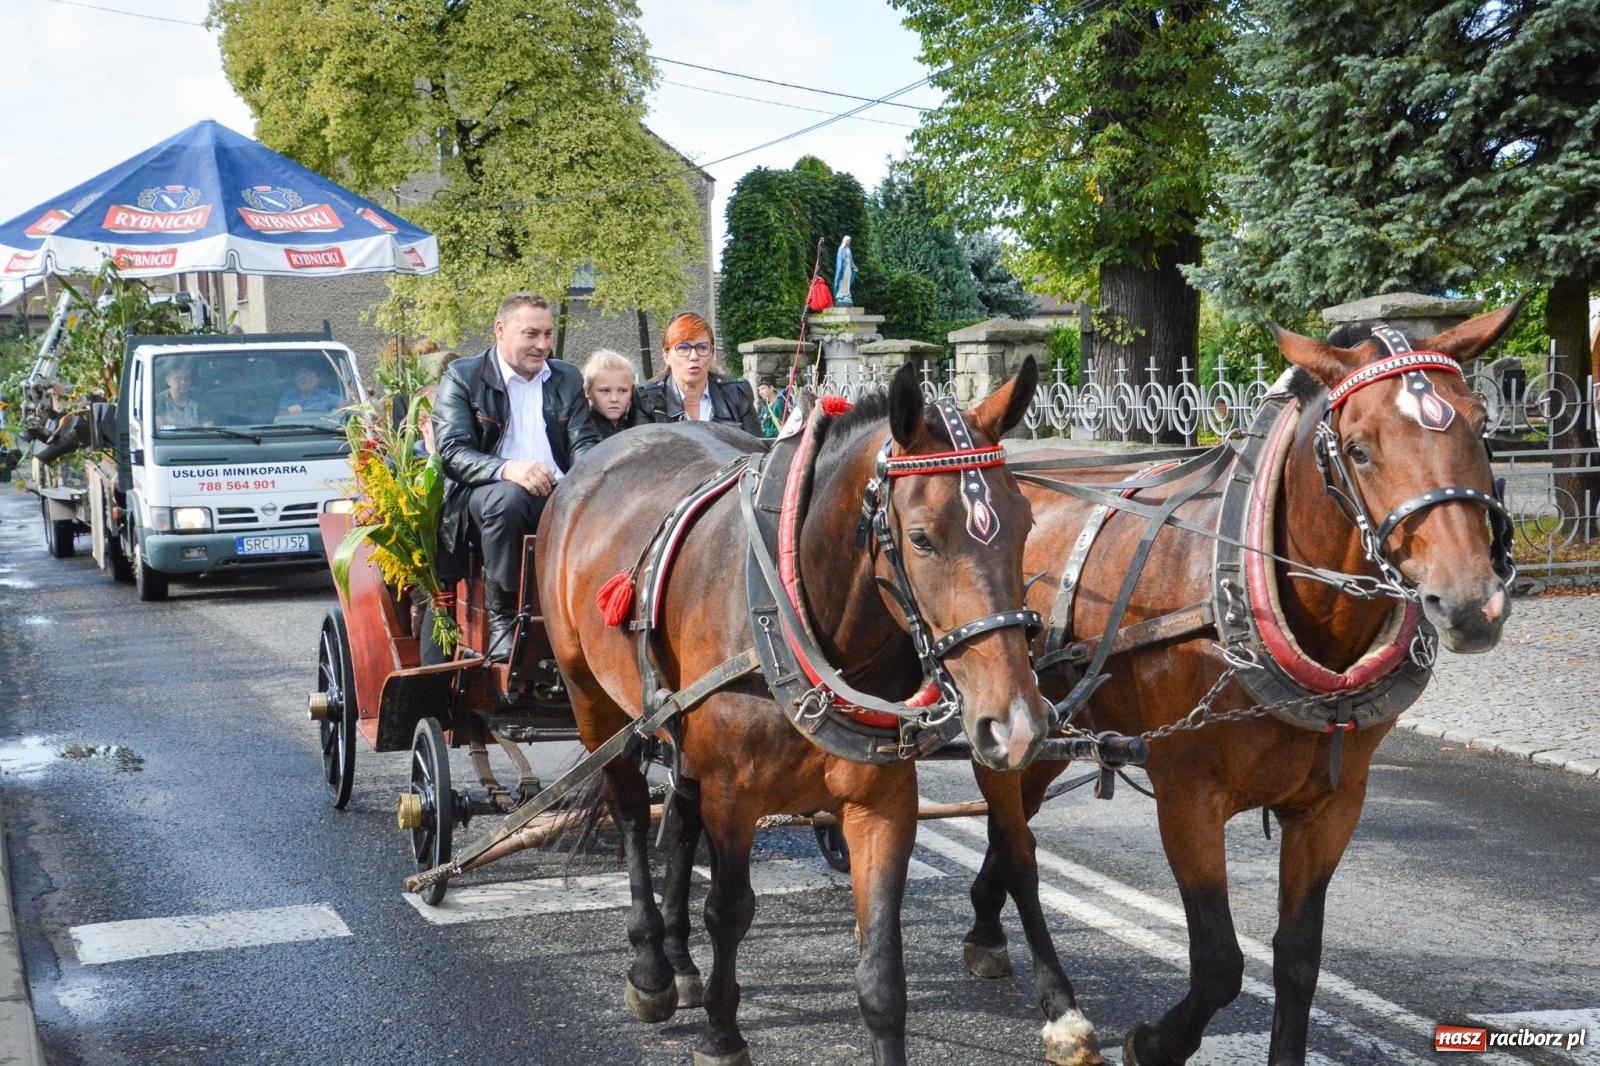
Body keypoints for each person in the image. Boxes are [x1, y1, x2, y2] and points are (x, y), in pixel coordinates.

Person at [433, 292, 599, 659]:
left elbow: (584, 443)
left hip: (559, 491)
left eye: (548, 334)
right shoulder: (463, 377)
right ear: (500, 330)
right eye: (531, 334)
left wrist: (586, 481)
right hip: (482, 496)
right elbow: (453, 453)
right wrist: (509, 469)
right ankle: (503, 621)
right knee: (509, 499)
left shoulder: (567, 377)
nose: (542, 345)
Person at [634, 312, 760, 436]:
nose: (694, 356)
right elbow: (643, 453)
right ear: (666, 356)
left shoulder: (737, 393)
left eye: (702, 347)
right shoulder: (648, 400)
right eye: (683, 348)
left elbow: (757, 450)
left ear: (711, 353)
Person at [582, 349, 638, 440]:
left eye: (622, 391)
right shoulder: (581, 433)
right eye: (605, 391)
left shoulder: (639, 425)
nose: (614, 399)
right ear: (587, 391)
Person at [155, 361, 206, 427]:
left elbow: (209, 426)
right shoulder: (160, 400)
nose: (183, 382)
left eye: (186, 378)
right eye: (178, 379)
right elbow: (159, 427)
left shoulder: (198, 399)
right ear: (168, 380)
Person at [833, 235, 856, 307]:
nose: (849, 242)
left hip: (848, 267)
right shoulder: (841, 249)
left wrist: (853, 266)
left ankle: (847, 294)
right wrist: (840, 269)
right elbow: (840, 260)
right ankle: (841, 295)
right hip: (843, 268)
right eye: (848, 241)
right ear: (845, 241)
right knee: (842, 280)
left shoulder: (849, 249)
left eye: (850, 241)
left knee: (847, 280)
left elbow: (851, 260)